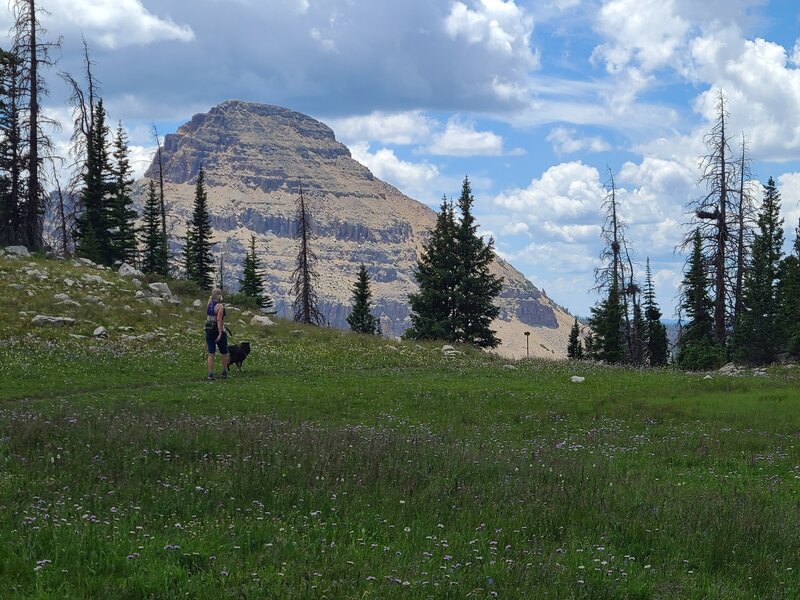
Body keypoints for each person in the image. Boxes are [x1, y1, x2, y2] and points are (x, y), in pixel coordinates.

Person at [205, 288, 229, 380]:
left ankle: (210, 374)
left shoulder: (209, 304)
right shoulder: (220, 306)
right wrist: (220, 333)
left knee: (211, 353)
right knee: (224, 352)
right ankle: (224, 372)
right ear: (220, 296)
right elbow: (219, 320)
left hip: (208, 330)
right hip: (218, 330)